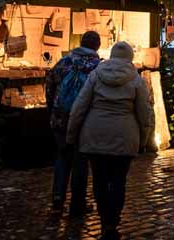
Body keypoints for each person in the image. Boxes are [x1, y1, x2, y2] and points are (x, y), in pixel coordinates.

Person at [67, 41, 154, 239]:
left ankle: (103, 217)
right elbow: (145, 113)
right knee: (118, 181)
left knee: (98, 179)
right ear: (130, 58)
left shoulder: (95, 75)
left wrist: (72, 135)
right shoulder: (136, 79)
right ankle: (112, 221)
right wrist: (144, 139)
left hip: (94, 135)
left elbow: (79, 107)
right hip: (124, 137)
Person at [44, 30, 102, 215]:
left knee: (62, 157)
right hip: (84, 121)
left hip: (61, 119)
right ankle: (77, 203)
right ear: (97, 46)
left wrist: (52, 110)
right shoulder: (97, 67)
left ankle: (57, 199)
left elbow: (50, 87)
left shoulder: (64, 62)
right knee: (81, 161)